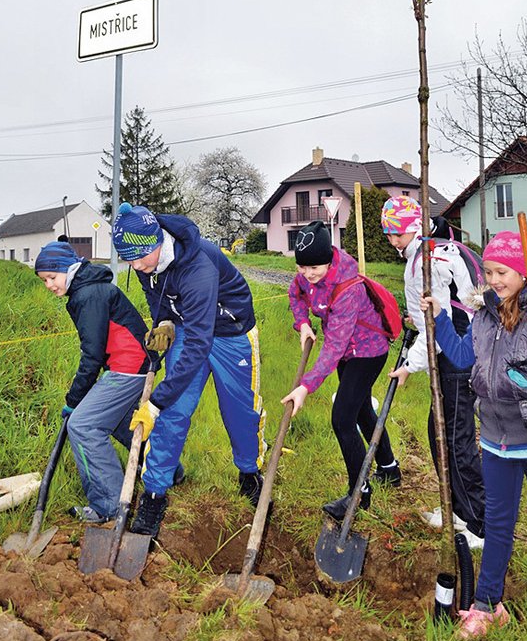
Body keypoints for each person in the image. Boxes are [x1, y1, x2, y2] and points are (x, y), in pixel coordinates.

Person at [420, 230, 527, 638]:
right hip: (495, 437)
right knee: (498, 522)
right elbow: (464, 357)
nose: (494, 279)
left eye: (502, 272)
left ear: (522, 272)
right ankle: (487, 604)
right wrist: (441, 320)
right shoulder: (483, 315)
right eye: (490, 271)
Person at [111, 202, 266, 539]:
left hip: (232, 333)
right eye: (129, 260)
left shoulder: (198, 266)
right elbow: (158, 297)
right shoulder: (142, 259)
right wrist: (164, 321)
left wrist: (154, 401)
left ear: (156, 242)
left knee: (240, 412)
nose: (135, 266)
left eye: (139, 258)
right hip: (188, 328)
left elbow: (199, 343)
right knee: (173, 415)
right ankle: (154, 493)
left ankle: (249, 472)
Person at [34, 240, 181, 523]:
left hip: (128, 368)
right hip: (133, 365)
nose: (49, 285)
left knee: (83, 425)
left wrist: (74, 401)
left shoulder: (89, 295)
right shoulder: (87, 291)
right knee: (118, 422)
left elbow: (91, 353)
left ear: (70, 269)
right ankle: (168, 469)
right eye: (44, 281)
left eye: (52, 277)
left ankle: (107, 504)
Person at [380, 196, 485, 548]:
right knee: (438, 432)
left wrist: (410, 364)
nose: (393, 240)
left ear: (414, 229)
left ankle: (478, 522)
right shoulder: (436, 252)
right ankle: (454, 508)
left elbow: (434, 324)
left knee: (455, 440)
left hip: (457, 355)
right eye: (388, 233)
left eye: (398, 233)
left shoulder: (427, 263)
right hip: (453, 350)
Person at [281, 220, 399, 522]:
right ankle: (389, 468)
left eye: (314, 268)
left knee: (342, 418)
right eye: (302, 267)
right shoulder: (305, 276)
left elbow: (333, 347)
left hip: (368, 352)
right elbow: (296, 295)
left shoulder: (349, 289)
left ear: (329, 260)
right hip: (348, 352)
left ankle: (359, 493)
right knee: (359, 411)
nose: (308, 274)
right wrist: (303, 323)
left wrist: (305, 386)